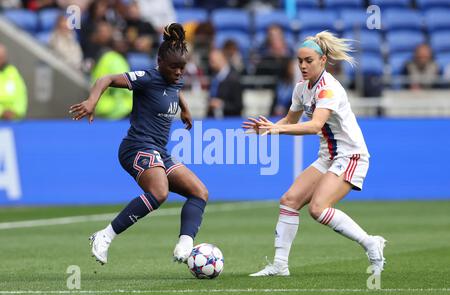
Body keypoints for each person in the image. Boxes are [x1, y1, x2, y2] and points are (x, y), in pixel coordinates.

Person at [242, 31, 386, 277]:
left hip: (351, 155)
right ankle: (280, 265)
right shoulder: (301, 88)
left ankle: (371, 242)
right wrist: (270, 127)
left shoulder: (328, 89)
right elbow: (291, 120)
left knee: (318, 209)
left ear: (323, 60)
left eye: (309, 60)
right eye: (299, 61)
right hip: (328, 156)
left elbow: (315, 126)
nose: (303, 66)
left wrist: (277, 129)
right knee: (289, 201)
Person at [69, 23, 209, 265]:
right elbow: (107, 78)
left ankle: (185, 245)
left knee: (199, 192)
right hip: (137, 147)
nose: (178, 72)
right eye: (174, 67)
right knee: (159, 192)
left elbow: (176, 91)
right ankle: (104, 235)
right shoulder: (148, 78)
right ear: (160, 62)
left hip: (159, 151)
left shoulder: (174, 80)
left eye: (182, 68)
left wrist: (185, 110)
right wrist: (92, 101)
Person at [207, 48, 243, 118]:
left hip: (229, 122)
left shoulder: (234, 79)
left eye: (212, 61)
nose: (210, 64)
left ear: (222, 59)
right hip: (213, 121)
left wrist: (221, 104)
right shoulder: (214, 77)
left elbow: (239, 105)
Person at [0, 44, 28, 120]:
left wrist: (16, 112)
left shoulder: (13, 73)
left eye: (2, 57)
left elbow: (21, 96)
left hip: (13, 122)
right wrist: (2, 111)